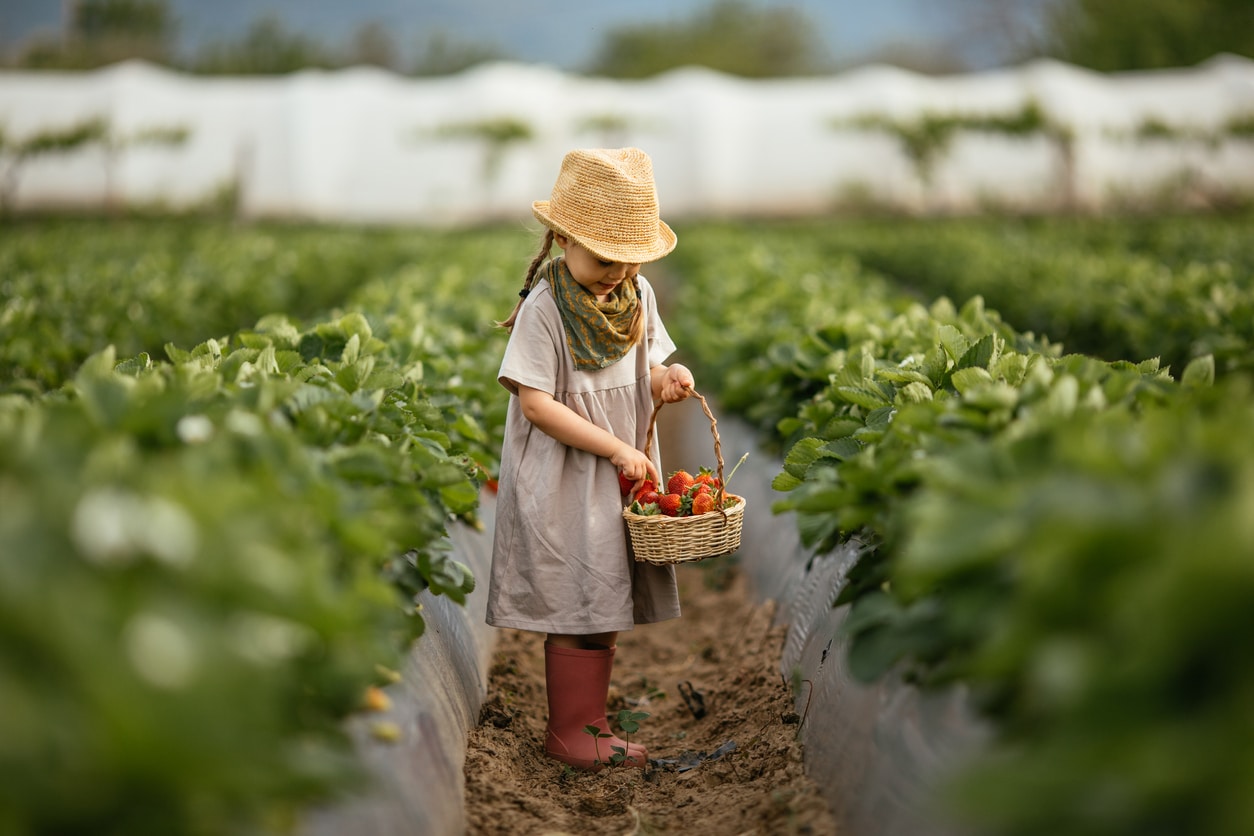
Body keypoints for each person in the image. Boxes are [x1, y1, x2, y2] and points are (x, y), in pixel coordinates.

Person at [486, 147, 694, 771]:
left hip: (618, 468)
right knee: (576, 591)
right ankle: (569, 731)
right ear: (564, 239)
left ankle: (591, 726)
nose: (616, 271)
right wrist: (614, 447)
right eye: (605, 258)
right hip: (566, 472)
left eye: (629, 259)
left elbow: (643, 370)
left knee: (606, 592)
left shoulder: (636, 294)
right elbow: (537, 406)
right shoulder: (545, 311)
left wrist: (667, 380)